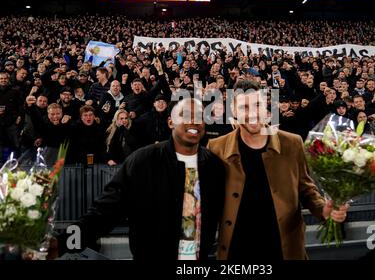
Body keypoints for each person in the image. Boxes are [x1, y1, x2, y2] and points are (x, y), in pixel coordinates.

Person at [61, 98, 225, 260]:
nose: (194, 121)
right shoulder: (142, 161)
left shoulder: (214, 166)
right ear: (170, 122)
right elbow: (104, 211)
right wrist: (63, 243)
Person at [207, 80, 349, 260]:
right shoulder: (216, 147)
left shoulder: (292, 143)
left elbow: (306, 189)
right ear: (234, 111)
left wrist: (324, 210)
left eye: (257, 104)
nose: (252, 113)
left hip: (284, 250)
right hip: (237, 251)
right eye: (244, 107)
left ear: (266, 107)